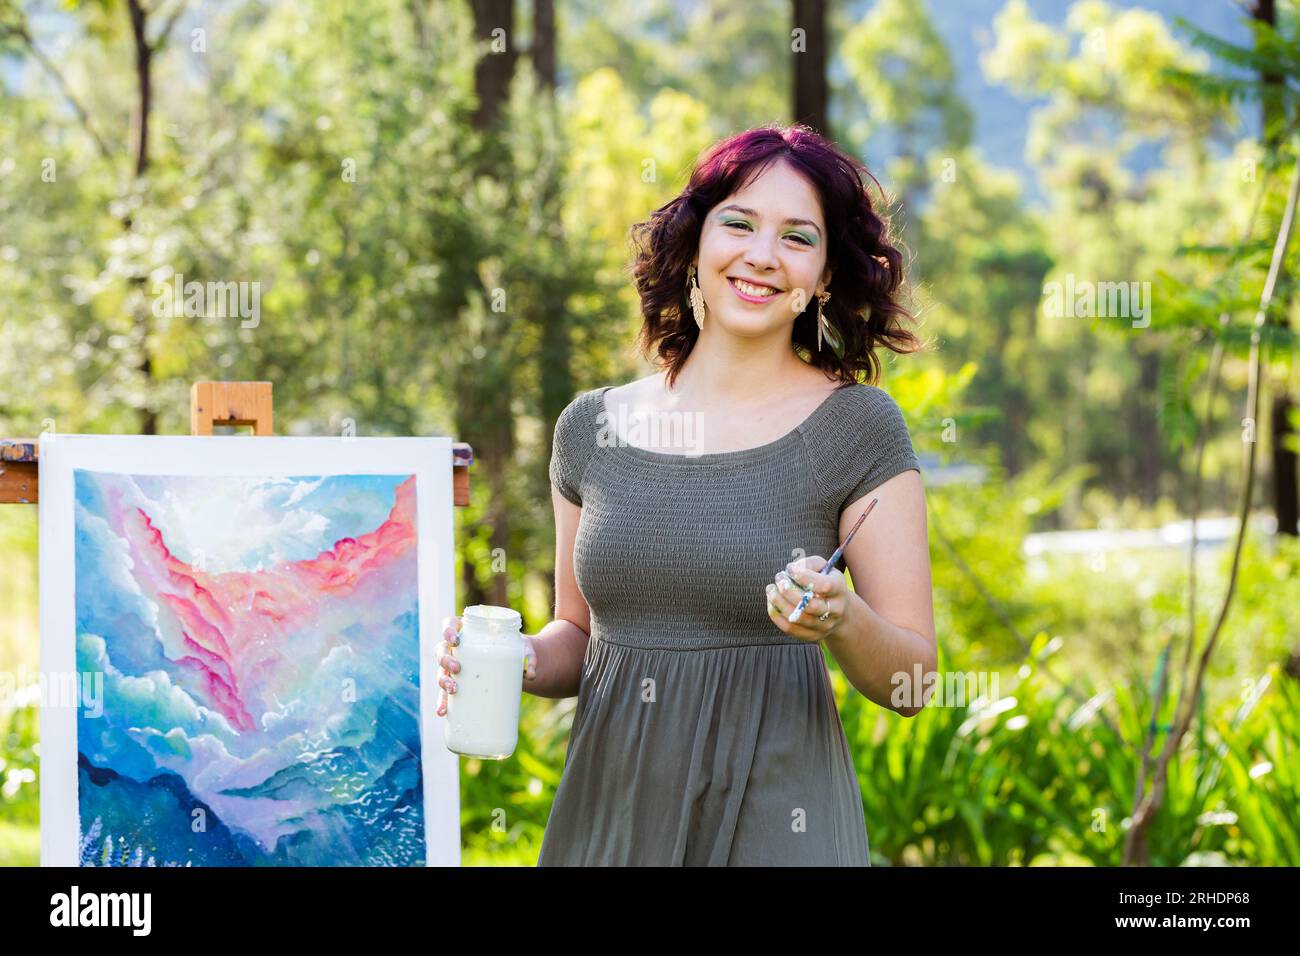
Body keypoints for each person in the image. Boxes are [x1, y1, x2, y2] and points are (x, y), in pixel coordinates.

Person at [438, 123, 936, 866]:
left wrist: (843, 618)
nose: (762, 255)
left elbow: (914, 680)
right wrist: (512, 660)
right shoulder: (589, 429)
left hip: (777, 826)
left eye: (798, 238)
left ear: (825, 276)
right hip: (610, 820)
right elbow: (578, 637)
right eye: (739, 222)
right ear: (696, 242)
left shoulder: (858, 428)